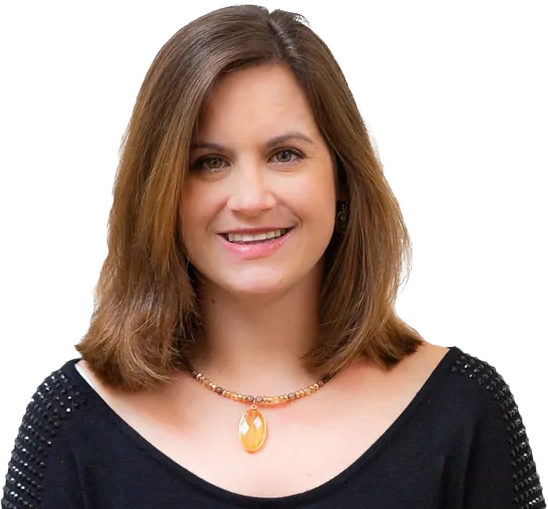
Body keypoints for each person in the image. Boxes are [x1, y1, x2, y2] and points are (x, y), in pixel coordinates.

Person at [1, 4, 545, 508]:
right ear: (159, 192)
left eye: (285, 155)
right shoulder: (71, 420)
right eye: (209, 162)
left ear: (342, 178)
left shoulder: (465, 409)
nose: (252, 199)